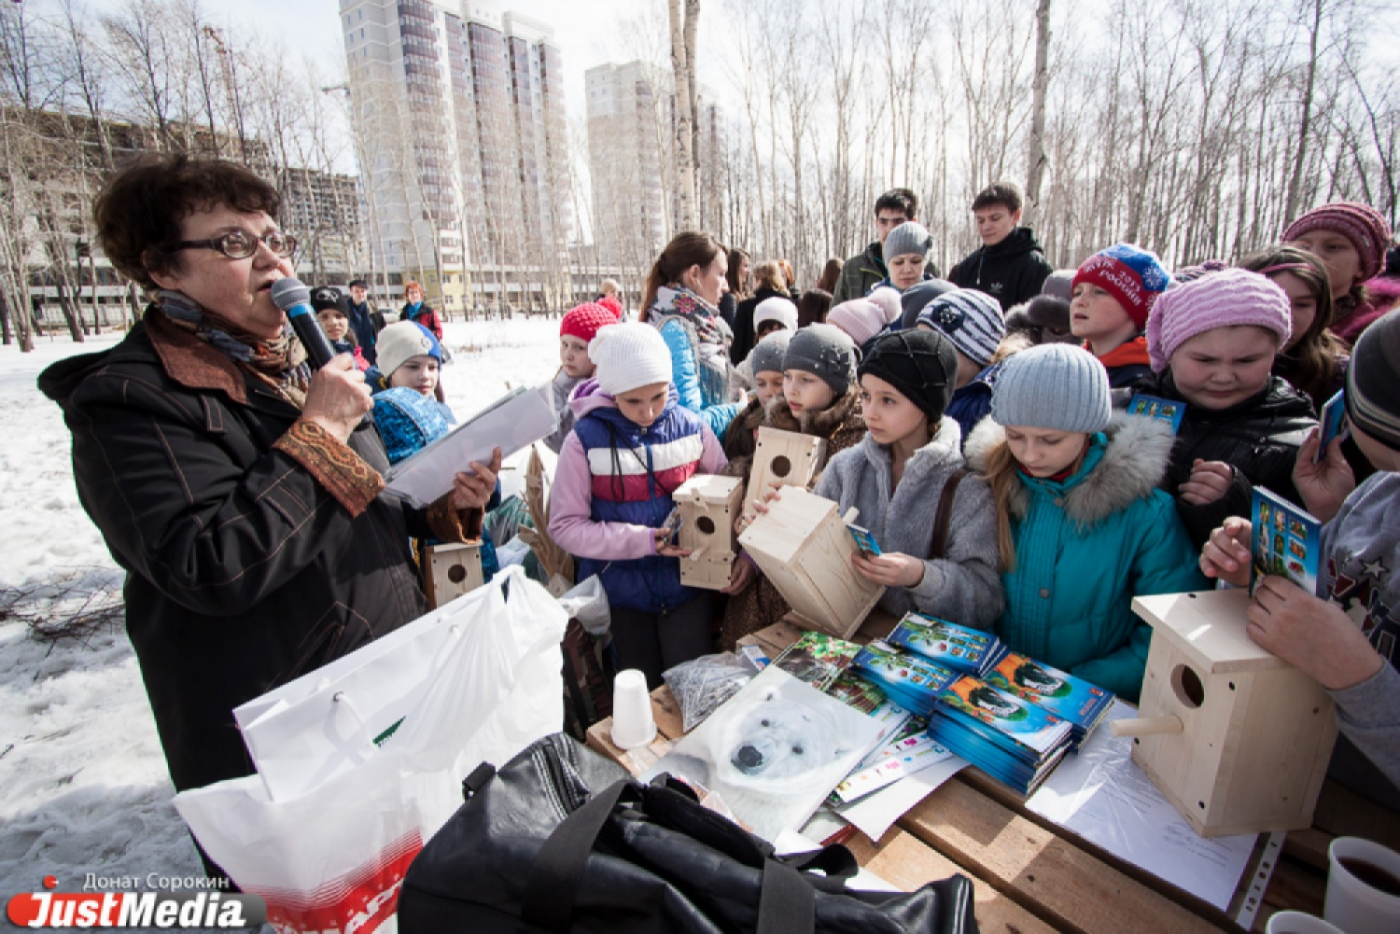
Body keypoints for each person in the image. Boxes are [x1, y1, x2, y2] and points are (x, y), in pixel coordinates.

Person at [35, 155, 499, 878]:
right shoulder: (126, 401)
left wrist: (444, 507)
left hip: (381, 690)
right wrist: (317, 435)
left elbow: (368, 499)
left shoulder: (293, 362)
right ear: (162, 269)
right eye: (232, 243)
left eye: (273, 237)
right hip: (280, 737)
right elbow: (212, 564)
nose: (270, 260)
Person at [1200, 309, 1400, 804]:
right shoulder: (1377, 494)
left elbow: (1336, 647)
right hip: (1299, 775)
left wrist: (1358, 675)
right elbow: (1325, 598)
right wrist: (1260, 574)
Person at [966, 343, 1207, 701]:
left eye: (1051, 440)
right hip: (993, 690)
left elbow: (1169, 631)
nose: (1030, 454)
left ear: (1088, 428)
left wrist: (1078, 683)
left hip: (1095, 700)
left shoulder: (1145, 512)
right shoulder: (988, 484)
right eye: (1015, 436)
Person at [548, 322, 727, 688]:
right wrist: (641, 540)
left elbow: (724, 487)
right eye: (633, 401)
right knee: (639, 691)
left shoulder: (692, 428)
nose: (648, 412)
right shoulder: (583, 441)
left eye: (658, 397)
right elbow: (565, 525)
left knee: (691, 689)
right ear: (612, 391)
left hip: (688, 589)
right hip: (622, 594)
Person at [805, 329, 1003, 626]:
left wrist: (922, 576)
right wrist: (786, 519)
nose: (870, 413)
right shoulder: (845, 468)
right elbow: (811, 552)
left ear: (927, 404)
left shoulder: (967, 490)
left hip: (918, 660)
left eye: (888, 401)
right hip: (841, 636)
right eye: (867, 396)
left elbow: (985, 598)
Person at [1136, 267, 1317, 549]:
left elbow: (1306, 549)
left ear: (1274, 354)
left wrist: (1237, 503)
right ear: (1171, 352)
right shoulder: (1128, 409)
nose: (1224, 376)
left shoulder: (1296, 437)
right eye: (1204, 361)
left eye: (1247, 361)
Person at [721, 325, 869, 647]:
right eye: (788, 376)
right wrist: (749, 552)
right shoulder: (779, 422)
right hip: (770, 580)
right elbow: (762, 495)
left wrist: (800, 506)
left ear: (837, 383)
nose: (791, 390)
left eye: (806, 379)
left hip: (826, 583)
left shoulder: (856, 435)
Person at [642, 231, 742, 438]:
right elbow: (689, 422)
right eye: (721, 274)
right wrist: (737, 410)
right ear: (695, 274)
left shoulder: (703, 326)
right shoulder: (676, 331)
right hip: (695, 462)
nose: (726, 287)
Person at [1236, 246, 1347, 413]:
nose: (1286, 317)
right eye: (1271, 301)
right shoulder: (1197, 365)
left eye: (1302, 305)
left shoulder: (1339, 378)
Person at [1284, 202, 1393, 347]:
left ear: (1361, 266)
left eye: (1333, 247)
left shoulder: (1377, 336)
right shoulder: (1259, 311)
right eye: (1303, 247)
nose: (1314, 255)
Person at [915, 288, 1011, 442]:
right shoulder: (919, 386)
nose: (924, 354)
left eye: (940, 345)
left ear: (976, 350)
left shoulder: (990, 403)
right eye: (919, 342)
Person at [1070, 243, 1171, 388]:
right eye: (1078, 292)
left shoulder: (1142, 383)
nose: (1080, 301)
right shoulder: (1069, 366)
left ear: (1135, 308)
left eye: (1099, 292)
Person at [946, 181, 1053, 310]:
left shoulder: (1034, 268)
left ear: (1016, 216)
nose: (986, 227)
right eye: (981, 221)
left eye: (995, 218)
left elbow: (1034, 323)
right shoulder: (968, 267)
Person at [833, 187, 939, 303]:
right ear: (876, 224)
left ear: (913, 223)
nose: (889, 230)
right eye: (883, 222)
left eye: (898, 222)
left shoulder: (928, 269)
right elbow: (835, 317)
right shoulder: (854, 269)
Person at [543, 301, 621, 454]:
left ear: (601, 352)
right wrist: (586, 393)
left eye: (579, 347)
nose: (568, 355)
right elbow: (559, 441)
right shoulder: (557, 387)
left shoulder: (616, 386)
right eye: (564, 344)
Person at [721, 330, 791, 471]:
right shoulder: (743, 427)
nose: (769, 392)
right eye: (761, 384)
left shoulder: (809, 424)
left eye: (778, 383)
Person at [369, 320, 448, 408]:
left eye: (432, 367)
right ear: (389, 370)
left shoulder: (430, 409)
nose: (425, 376)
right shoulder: (369, 412)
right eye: (413, 367)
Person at [730, 259, 787, 365]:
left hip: (751, 365)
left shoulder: (746, 306)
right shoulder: (790, 304)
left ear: (759, 280)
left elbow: (738, 345)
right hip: (783, 363)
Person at [873, 221, 937, 294]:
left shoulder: (940, 300)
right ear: (887, 265)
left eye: (915, 261)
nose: (907, 270)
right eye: (898, 262)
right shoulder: (872, 302)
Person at [341, 278, 386, 364]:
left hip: (373, 353)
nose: (360, 294)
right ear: (351, 292)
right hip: (352, 353)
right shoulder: (344, 311)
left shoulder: (374, 311)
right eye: (357, 291)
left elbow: (382, 331)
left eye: (362, 291)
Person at [719, 247, 751, 328]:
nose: (748, 271)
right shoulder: (729, 298)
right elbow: (733, 330)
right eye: (745, 266)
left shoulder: (745, 293)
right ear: (735, 268)